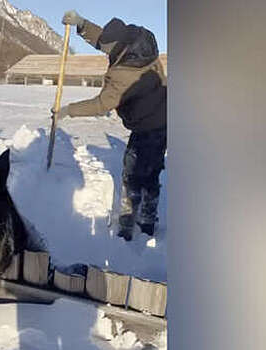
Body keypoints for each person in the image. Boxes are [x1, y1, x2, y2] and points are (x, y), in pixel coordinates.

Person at [56, 11, 167, 241]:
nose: (104, 50)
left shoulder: (124, 74)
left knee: (133, 174)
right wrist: (82, 24)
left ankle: (129, 225)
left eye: (107, 48)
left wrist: (69, 111)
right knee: (151, 170)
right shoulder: (137, 42)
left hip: (148, 125)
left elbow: (101, 104)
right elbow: (104, 39)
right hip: (163, 117)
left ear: (118, 46)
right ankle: (147, 219)